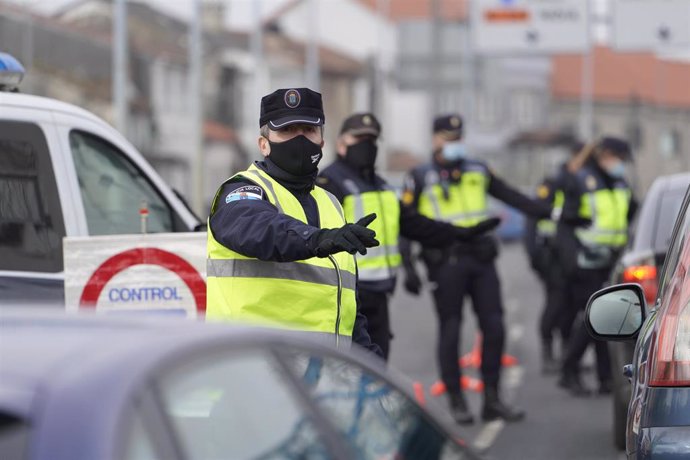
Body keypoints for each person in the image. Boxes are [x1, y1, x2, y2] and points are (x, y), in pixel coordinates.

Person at [205, 88, 382, 356]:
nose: (300, 140)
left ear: (322, 141)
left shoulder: (331, 204)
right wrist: (317, 240)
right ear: (264, 144)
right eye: (287, 131)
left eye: (308, 131)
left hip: (323, 378)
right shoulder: (242, 191)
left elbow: (345, 306)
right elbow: (258, 229)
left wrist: (371, 370)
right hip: (250, 373)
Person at [400, 114, 552, 424]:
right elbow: (406, 224)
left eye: (458, 138)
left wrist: (553, 213)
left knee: (495, 327)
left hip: (481, 259)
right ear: (435, 139)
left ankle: (492, 399)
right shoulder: (419, 176)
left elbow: (512, 196)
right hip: (445, 261)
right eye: (448, 138)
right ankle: (457, 400)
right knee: (451, 329)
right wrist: (408, 265)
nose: (454, 143)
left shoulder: (478, 170)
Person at [317, 113, 501, 360]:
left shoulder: (380, 185)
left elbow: (414, 225)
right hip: (346, 294)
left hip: (379, 294)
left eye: (371, 140)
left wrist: (461, 233)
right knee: (350, 370)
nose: (366, 145)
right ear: (341, 143)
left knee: (378, 368)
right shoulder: (328, 183)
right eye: (359, 138)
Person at [556, 137, 637, 396]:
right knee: (595, 318)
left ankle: (604, 378)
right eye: (619, 159)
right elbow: (565, 224)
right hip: (585, 262)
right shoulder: (582, 180)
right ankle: (569, 370)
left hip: (610, 260)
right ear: (607, 155)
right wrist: (571, 260)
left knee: (606, 319)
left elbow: (630, 211)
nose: (621, 165)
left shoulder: (619, 182)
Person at [523, 141, 583, 373]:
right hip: (550, 256)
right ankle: (548, 353)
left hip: (570, 255)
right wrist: (535, 255)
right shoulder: (549, 187)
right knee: (556, 303)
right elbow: (532, 220)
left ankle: (567, 353)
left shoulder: (576, 185)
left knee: (570, 305)